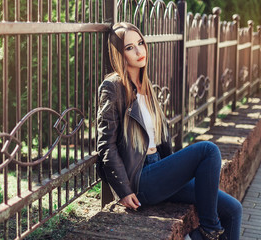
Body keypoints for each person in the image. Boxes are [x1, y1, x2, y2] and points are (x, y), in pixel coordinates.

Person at [96, 22, 242, 240]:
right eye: (129, 47)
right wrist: (124, 190)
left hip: (159, 170)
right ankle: (209, 231)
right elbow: (105, 144)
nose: (138, 51)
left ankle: (205, 233)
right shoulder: (113, 87)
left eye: (140, 43)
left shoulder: (146, 87)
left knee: (233, 210)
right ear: (119, 54)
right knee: (208, 150)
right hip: (141, 179)